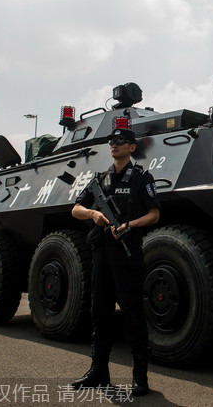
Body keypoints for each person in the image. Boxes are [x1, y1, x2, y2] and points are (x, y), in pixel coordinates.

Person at [70, 128, 160, 396]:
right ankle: (98, 372)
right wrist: (93, 214)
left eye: (120, 141)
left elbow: (154, 214)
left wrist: (130, 225)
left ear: (132, 147)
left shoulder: (141, 178)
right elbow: (76, 209)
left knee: (132, 314)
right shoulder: (100, 179)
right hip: (102, 252)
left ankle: (140, 377)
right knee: (99, 312)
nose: (114, 145)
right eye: (111, 141)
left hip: (127, 252)